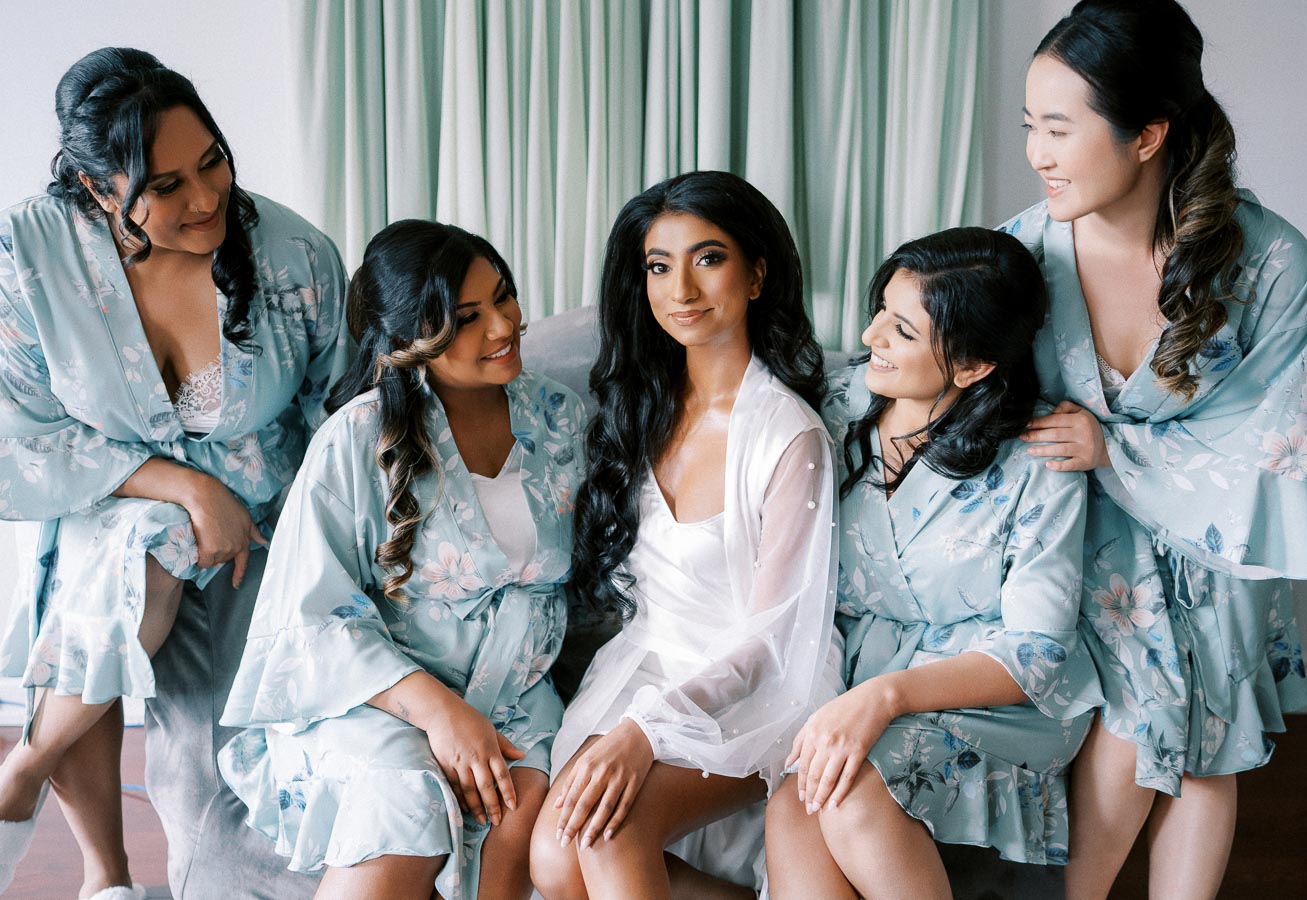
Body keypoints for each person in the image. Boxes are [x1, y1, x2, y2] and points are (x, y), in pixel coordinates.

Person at [0, 48, 349, 898]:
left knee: (246, 740)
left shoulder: (294, 255)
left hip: (267, 506)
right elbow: (16, 431)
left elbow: (342, 417)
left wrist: (306, 541)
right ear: (95, 191)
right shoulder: (25, 256)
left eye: (212, 162)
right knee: (130, 555)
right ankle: (104, 876)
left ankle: (24, 768)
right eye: (163, 187)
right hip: (107, 493)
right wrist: (188, 488)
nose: (205, 200)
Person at [1008, 1, 1307, 895]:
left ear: (1147, 133)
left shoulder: (1271, 264)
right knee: (1135, 722)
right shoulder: (1018, 257)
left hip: (1213, 536)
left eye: (1061, 129)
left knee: (1206, 745)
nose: (1038, 153)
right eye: (1030, 126)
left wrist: (1113, 452)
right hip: (1077, 540)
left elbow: (1273, 447)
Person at [218, 220, 584, 900]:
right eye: (466, 318)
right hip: (378, 698)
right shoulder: (356, 439)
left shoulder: (561, 419)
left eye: (503, 298)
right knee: (404, 801)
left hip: (517, 699)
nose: (503, 327)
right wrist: (441, 714)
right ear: (407, 337)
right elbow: (311, 618)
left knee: (517, 814)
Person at [528, 171, 840, 899]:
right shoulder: (642, 407)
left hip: (760, 685)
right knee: (552, 859)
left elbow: (772, 642)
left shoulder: (791, 436)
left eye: (708, 258)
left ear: (758, 272)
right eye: (659, 266)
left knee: (610, 830)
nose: (681, 290)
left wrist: (644, 734)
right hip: (651, 664)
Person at [765, 227, 1101, 898]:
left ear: (974, 365)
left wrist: (885, 697)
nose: (868, 339)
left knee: (849, 789)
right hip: (860, 681)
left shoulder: (1040, 454)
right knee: (793, 803)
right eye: (879, 313)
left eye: (901, 330)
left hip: (990, 695)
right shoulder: (832, 411)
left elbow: (1035, 651)